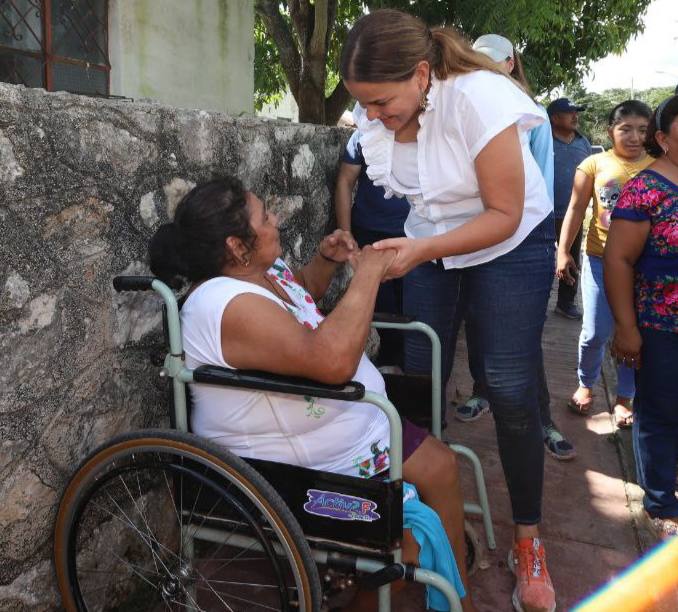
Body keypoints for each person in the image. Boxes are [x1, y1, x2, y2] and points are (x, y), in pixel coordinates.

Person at [148, 176, 474, 611]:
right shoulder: (223, 304)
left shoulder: (262, 272)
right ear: (237, 246)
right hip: (293, 467)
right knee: (406, 546)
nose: (276, 220)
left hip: (351, 432)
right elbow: (332, 362)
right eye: (265, 217)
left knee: (443, 465)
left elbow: (299, 299)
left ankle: (457, 598)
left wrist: (326, 261)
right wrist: (368, 274)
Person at [341, 10, 556, 612]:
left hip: (510, 243)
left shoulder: (478, 97)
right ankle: (431, 517)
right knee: (421, 372)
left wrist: (422, 251)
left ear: (420, 74)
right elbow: (418, 203)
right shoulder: (379, 113)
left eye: (380, 102)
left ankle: (528, 541)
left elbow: (504, 213)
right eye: (364, 104)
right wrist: (406, 251)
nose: (371, 117)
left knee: (508, 386)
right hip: (432, 242)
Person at [454, 33, 575, 462]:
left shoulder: (531, 113)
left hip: (520, 238)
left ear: (510, 63)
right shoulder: (464, 106)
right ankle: (481, 392)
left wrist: (547, 244)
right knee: (477, 324)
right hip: (473, 236)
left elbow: (538, 183)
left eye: (494, 60)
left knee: (522, 342)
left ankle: (543, 419)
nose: (486, 66)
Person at [604, 95, 678, 539]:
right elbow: (618, 260)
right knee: (661, 411)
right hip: (660, 325)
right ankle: (660, 501)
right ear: (664, 138)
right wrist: (626, 327)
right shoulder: (645, 190)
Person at [557, 100, 652, 428]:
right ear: (611, 131)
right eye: (626, 129)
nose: (635, 137)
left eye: (642, 130)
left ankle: (625, 396)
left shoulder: (660, 166)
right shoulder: (593, 164)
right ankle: (586, 383)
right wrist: (563, 251)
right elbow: (574, 209)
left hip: (645, 265)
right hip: (600, 261)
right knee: (595, 330)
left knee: (632, 330)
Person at [335, 129, 410, 366]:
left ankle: (408, 368)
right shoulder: (362, 136)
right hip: (370, 235)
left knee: (413, 307)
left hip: (414, 237)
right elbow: (345, 181)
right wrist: (346, 233)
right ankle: (390, 364)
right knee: (382, 308)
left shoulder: (424, 133)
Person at [548, 97, 593, 319]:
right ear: (554, 118)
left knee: (572, 259)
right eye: (570, 113)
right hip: (545, 213)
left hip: (573, 214)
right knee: (544, 258)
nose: (575, 116)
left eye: (577, 112)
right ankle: (537, 301)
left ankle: (565, 303)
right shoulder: (543, 140)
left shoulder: (583, 143)